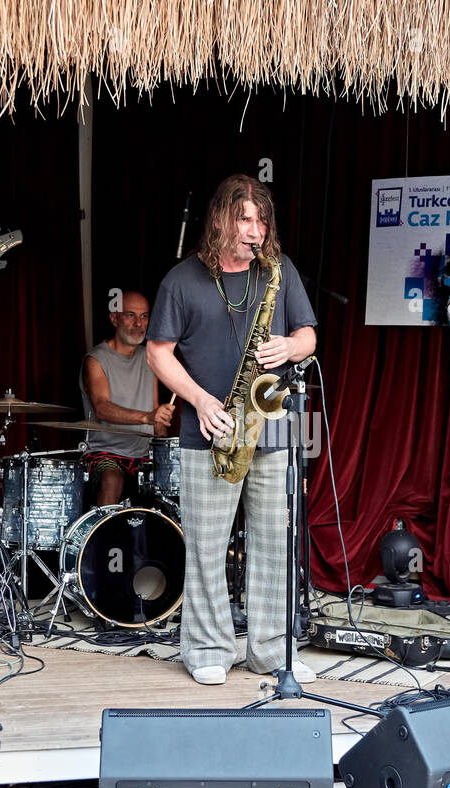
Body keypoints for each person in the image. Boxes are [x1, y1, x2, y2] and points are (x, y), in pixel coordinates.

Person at [147, 174, 318, 686]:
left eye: (262, 221)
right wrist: (198, 400)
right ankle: (207, 648)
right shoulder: (181, 280)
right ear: (220, 220)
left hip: (273, 427)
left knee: (274, 545)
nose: (256, 231)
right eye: (246, 219)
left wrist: (290, 347)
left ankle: (270, 650)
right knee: (206, 545)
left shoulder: (279, 273)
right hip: (212, 429)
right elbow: (158, 352)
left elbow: (308, 336)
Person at [79, 291, 174, 505]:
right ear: (114, 318)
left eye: (144, 316)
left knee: (178, 479)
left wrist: (166, 452)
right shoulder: (96, 359)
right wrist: (147, 417)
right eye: (130, 315)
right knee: (111, 478)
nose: (138, 324)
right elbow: (102, 408)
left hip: (143, 455)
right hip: (104, 453)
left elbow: (155, 411)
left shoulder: (149, 358)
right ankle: (101, 537)